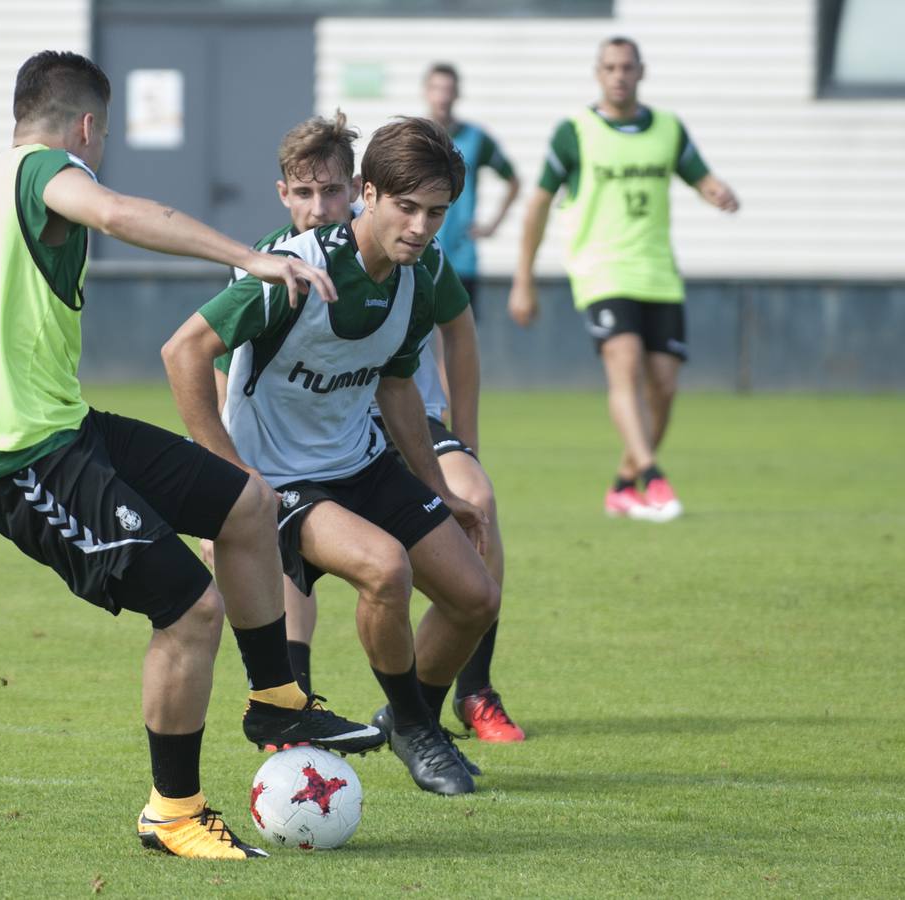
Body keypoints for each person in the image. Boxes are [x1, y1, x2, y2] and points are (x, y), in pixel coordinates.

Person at [0, 50, 382, 861]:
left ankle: (277, 700)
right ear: (86, 127)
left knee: (245, 503)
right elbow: (121, 214)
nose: (102, 149)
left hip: (68, 430)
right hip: (16, 461)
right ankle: (174, 812)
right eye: (106, 135)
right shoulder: (46, 170)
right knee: (190, 609)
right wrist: (252, 256)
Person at [164, 117, 501, 797]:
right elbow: (183, 353)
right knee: (385, 568)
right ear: (367, 194)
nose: (421, 227)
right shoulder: (294, 268)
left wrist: (441, 487)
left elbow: (398, 384)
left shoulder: (421, 273)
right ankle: (413, 721)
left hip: (362, 462)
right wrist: (231, 478)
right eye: (406, 207)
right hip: (283, 482)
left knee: (475, 598)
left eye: (436, 213)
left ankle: (409, 719)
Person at [508, 37, 739, 521]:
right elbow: (539, 205)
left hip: (659, 273)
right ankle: (653, 477)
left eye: (627, 67)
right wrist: (522, 278)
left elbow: (703, 177)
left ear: (641, 72)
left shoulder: (669, 130)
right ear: (598, 73)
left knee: (664, 388)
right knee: (624, 362)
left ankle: (622, 485)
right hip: (602, 268)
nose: (618, 75)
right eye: (610, 67)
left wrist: (718, 192)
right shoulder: (574, 131)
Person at [423, 62, 519, 321]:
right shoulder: (416, 137)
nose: (442, 96)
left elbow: (513, 181)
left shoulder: (476, 139)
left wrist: (491, 226)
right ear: (426, 92)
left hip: (461, 257)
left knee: (457, 338)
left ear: (457, 94)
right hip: (419, 251)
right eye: (436, 89)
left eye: (448, 89)